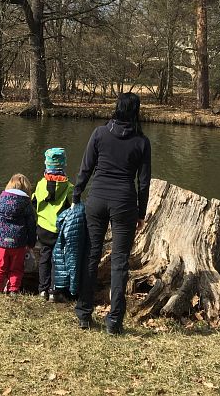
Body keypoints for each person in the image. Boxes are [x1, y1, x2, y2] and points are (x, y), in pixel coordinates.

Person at [72, 92, 152, 334]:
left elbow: (86, 168)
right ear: (136, 111)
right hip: (125, 203)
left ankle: (84, 313)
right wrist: (141, 212)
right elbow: (144, 182)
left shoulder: (99, 133)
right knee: (119, 262)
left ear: (116, 108)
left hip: (96, 199)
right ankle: (114, 321)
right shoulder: (142, 141)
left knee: (92, 255)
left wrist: (77, 196)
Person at [31, 147, 74, 301]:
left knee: (45, 257)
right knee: (58, 260)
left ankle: (42, 289)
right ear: (63, 165)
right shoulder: (69, 187)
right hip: (59, 230)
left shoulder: (40, 184)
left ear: (46, 165)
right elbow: (74, 208)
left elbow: (34, 202)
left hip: (43, 228)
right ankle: (54, 291)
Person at [0, 173, 37, 295]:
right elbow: (31, 225)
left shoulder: (0, 201)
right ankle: (13, 289)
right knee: (16, 268)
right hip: (19, 243)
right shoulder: (27, 204)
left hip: (1, 242)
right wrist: (31, 243)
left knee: (0, 266)